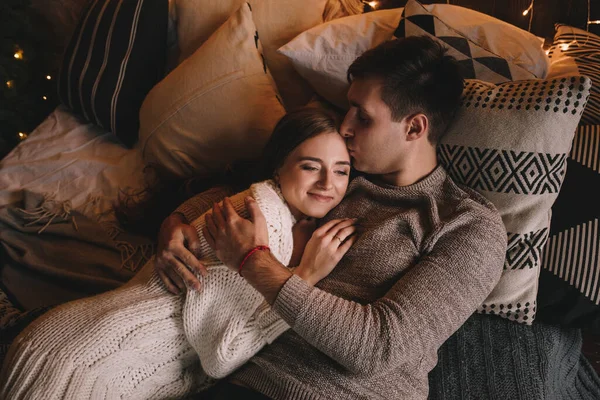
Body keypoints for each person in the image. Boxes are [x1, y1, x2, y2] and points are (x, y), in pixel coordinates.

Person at [156, 35, 508, 399]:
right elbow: (253, 186)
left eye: (364, 117)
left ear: (414, 128)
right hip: (239, 375)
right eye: (348, 109)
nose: (345, 127)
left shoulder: (467, 226)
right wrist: (177, 221)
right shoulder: (339, 174)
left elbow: (377, 347)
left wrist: (252, 260)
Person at [0, 107, 358, 400]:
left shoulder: (274, 210)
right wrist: (306, 276)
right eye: (311, 166)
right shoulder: (263, 220)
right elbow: (224, 354)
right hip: (85, 365)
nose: (328, 184)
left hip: (87, 353)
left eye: (341, 171)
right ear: (279, 166)